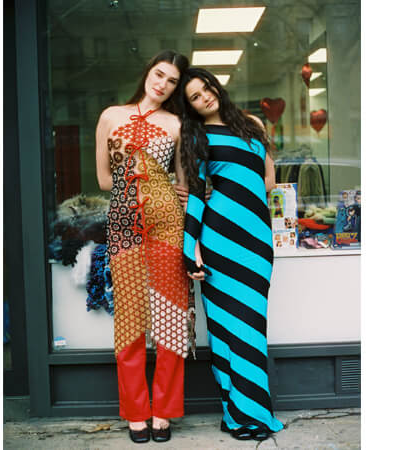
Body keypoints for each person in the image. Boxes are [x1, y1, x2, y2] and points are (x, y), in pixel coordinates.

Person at [178, 67, 284, 442]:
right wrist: (191, 250)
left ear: (215, 87)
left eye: (206, 88)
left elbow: (267, 180)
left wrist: (239, 188)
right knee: (227, 330)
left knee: (252, 328)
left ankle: (246, 411)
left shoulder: (252, 123)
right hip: (220, 241)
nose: (204, 96)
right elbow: (193, 194)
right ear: (189, 106)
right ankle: (241, 415)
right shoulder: (195, 135)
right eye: (194, 96)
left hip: (257, 241)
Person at [94, 50, 192, 444]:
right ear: (148, 73)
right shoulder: (110, 115)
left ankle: (164, 410)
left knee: (169, 319)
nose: (163, 84)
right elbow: (103, 179)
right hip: (123, 222)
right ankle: (136, 411)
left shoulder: (176, 123)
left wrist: (174, 196)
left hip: (167, 222)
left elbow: (182, 181)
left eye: (171, 81)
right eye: (159, 74)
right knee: (130, 321)